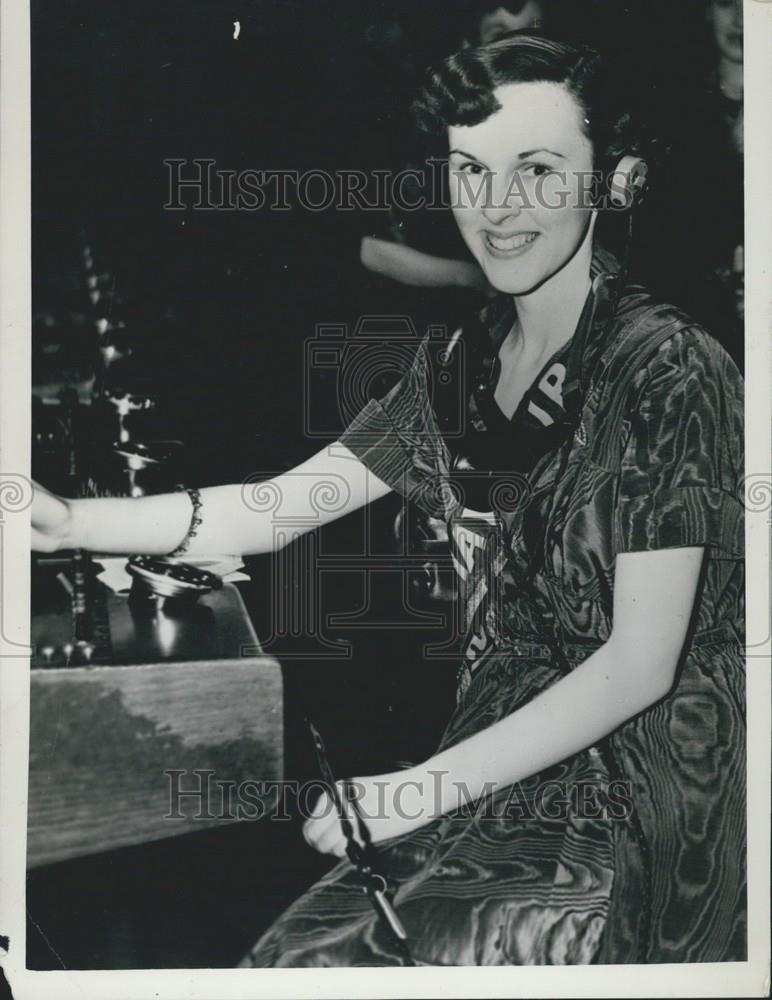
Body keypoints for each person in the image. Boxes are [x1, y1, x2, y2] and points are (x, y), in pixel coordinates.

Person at [33, 33, 745, 966]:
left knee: (313, 966)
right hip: (500, 766)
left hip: (651, 806)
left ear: (613, 181)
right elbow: (279, 506)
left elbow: (640, 664)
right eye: (470, 171)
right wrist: (67, 521)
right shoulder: (462, 363)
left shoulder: (671, 367)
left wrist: (414, 791)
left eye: (536, 169)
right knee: (292, 958)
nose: (497, 207)